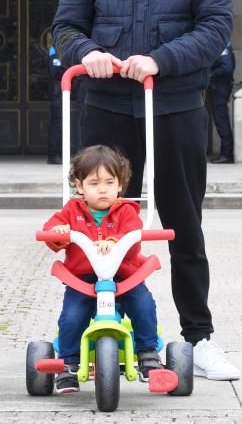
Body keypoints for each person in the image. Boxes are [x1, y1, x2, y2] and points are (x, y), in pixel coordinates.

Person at [52, 0, 240, 380]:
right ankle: (89, 332)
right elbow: (66, 25)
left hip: (175, 105)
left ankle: (199, 337)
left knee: (183, 224)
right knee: (96, 224)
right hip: (106, 107)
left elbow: (215, 28)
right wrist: (88, 54)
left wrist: (157, 60)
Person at [42, 145, 164, 393]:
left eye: (110, 182)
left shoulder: (127, 211)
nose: (103, 189)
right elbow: (51, 231)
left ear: (120, 185)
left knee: (143, 303)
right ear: (80, 186)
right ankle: (67, 363)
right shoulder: (71, 212)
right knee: (72, 315)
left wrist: (114, 241)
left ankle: (148, 352)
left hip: (123, 275)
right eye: (94, 183)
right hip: (84, 278)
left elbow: (133, 235)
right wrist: (58, 233)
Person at [207, 43, 235, 164]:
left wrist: (209, 76)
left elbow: (226, 67)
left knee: (221, 120)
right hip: (218, 86)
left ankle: (227, 154)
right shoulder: (222, 46)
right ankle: (226, 153)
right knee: (220, 120)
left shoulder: (222, 46)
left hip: (220, 87)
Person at [47, 42, 64, 164]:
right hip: (57, 92)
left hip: (62, 92)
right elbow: (55, 72)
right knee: (57, 124)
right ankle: (54, 155)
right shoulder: (54, 51)